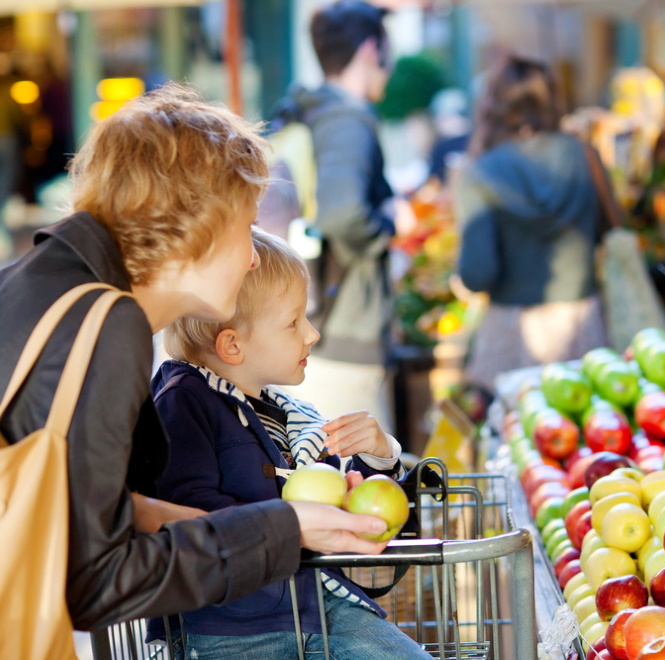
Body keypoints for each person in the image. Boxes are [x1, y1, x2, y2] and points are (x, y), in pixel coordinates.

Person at [0, 84, 391, 633]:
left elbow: (90, 509)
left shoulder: (46, 281)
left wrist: (280, 525)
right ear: (197, 225)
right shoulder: (106, 323)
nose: (254, 258)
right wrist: (283, 528)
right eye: (246, 226)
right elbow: (99, 578)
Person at [150, 229, 432, 658]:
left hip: (323, 606)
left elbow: (346, 498)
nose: (313, 333)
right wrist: (288, 523)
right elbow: (190, 515)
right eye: (294, 321)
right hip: (231, 630)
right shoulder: (183, 405)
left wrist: (378, 454)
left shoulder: (283, 410)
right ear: (232, 345)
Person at [269, 0, 414, 432]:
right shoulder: (347, 120)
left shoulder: (308, 110)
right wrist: (390, 223)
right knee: (364, 481)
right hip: (344, 335)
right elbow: (345, 214)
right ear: (371, 50)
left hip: (320, 325)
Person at [454, 54, 608, 389]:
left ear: (492, 105)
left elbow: (477, 274)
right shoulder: (584, 155)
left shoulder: (481, 172)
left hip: (512, 331)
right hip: (581, 325)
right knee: (590, 428)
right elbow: (609, 230)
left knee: (514, 433)